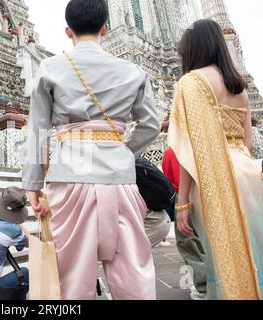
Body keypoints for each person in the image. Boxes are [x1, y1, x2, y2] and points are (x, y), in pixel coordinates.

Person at [22, 0, 160, 300]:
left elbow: (38, 130)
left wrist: (32, 183)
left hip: (71, 178)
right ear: (105, 29)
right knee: (134, 276)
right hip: (121, 180)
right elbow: (150, 125)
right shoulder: (132, 71)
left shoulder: (50, 68)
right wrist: (120, 150)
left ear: (68, 31)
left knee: (71, 282)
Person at [169, 19, 263, 300]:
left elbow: (189, 149)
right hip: (248, 172)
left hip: (213, 176)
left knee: (223, 256)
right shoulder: (241, 89)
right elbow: (247, 144)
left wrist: (182, 201)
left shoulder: (191, 83)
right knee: (253, 248)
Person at [162, 147, 207, 300]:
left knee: (188, 242)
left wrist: (181, 202)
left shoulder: (171, 152)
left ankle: (203, 286)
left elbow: (169, 178)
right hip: (208, 193)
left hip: (185, 198)